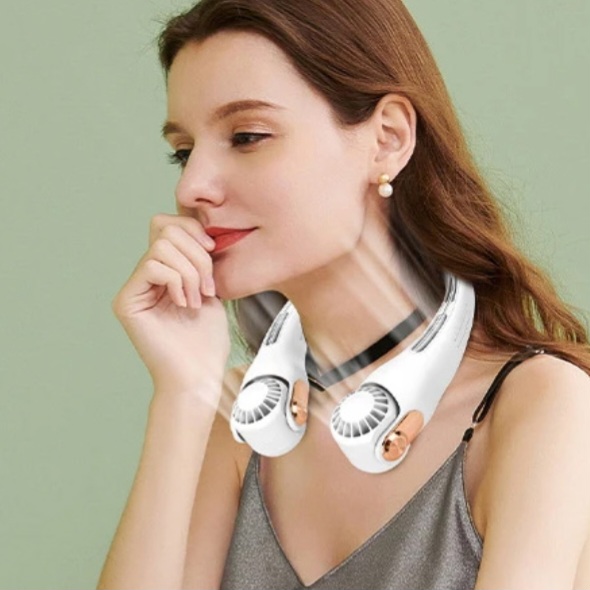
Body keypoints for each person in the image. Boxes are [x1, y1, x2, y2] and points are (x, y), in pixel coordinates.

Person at [96, 1, 590, 589]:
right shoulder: (235, 422)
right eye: (183, 151)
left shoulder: (538, 405)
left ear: (387, 139)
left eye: (247, 136)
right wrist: (182, 394)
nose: (191, 186)